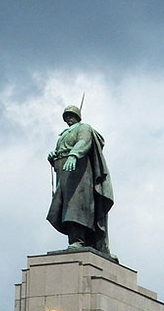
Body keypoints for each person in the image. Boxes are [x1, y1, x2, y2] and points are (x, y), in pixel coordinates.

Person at [46, 105, 114, 258]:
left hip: (79, 172)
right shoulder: (63, 135)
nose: (69, 118)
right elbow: (62, 150)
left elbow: (83, 142)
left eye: (71, 115)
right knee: (64, 206)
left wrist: (74, 155)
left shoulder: (84, 128)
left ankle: (78, 240)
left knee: (76, 205)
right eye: (66, 116)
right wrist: (54, 156)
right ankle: (75, 238)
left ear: (77, 116)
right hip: (64, 173)